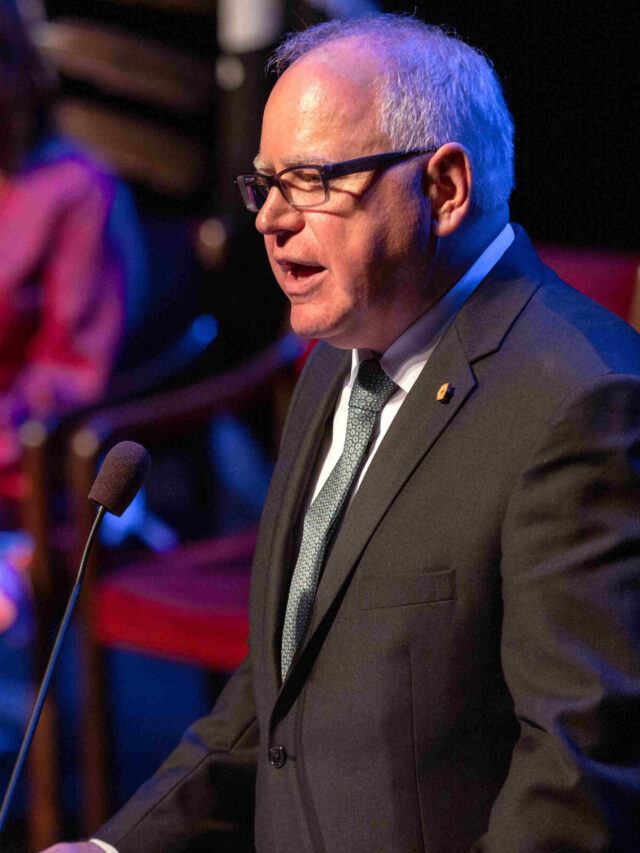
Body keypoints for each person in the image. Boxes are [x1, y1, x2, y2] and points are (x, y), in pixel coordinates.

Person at [43, 14, 640, 853]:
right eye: (264, 184)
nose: (269, 220)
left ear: (443, 188)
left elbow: (576, 786)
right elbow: (278, 686)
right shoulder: (337, 352)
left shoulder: (586, 403)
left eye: (311, 181)